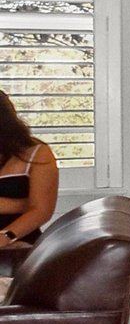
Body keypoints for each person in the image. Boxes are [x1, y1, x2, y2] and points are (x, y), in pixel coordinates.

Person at [0, 89, 62, 270]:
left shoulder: (37, 153)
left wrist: (6, 236)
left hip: (16, 242)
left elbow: (42, 210)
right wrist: (20, 204)